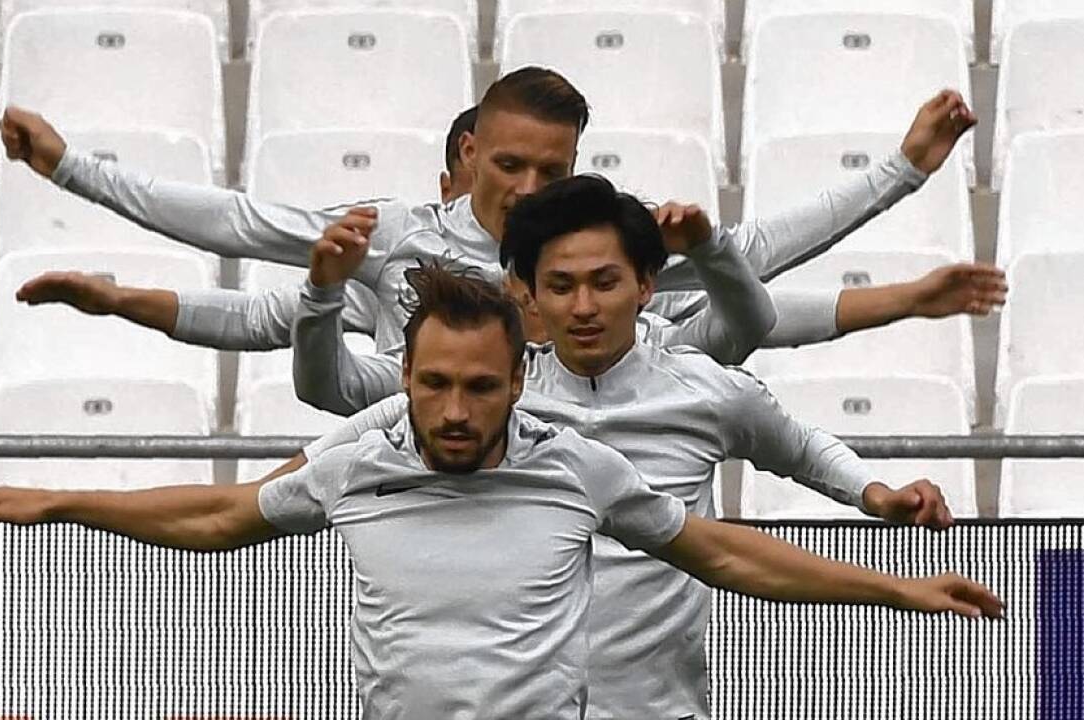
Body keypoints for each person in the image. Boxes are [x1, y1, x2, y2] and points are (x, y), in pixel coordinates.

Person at [0, 265, 1003, 719]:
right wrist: (67, 501)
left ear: (513, 381)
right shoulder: (357, 463)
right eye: (433, 383)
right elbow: (219, 515)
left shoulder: (574, 465)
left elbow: (718, 551)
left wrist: (891, 590)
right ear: (404, 375)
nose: (453, 410)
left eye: (479, 387)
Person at [295, 176, 977, 718]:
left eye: (605, 282)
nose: (584, 306)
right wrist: (322, 297)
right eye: (560, 286)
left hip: (657, 707)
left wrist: (875, 494)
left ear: (646, 286)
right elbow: (325, 441)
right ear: (527, 294)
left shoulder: (704, 389)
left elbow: (795, 454)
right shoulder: (482, 397)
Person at [0, 66, 977, 353]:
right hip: (415, 488)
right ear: (467, 153)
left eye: (547, 169)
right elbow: (243, 242)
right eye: (507, 163)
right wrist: (71, 172)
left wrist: (902, 172)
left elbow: (751, 275)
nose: (524, 187)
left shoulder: (594, 253)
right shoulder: (394, 235)